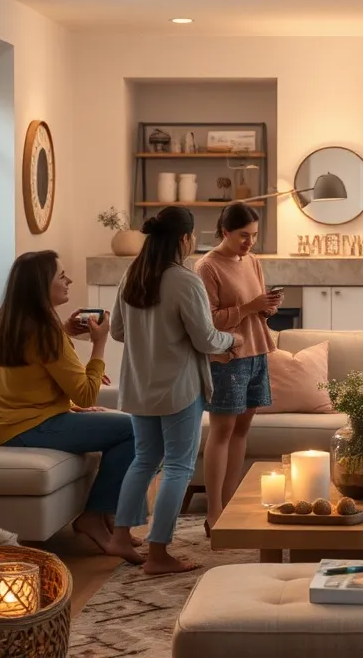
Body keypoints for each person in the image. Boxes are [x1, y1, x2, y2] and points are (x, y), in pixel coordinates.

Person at [108, 206, 241, 574]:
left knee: (145, 460)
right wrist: (233, 338)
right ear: (185, 238)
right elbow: (205, 337)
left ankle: (120, 535)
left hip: (139, 385)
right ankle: (159, 553)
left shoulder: (131, 274)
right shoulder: (184, 279)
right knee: (179, 466)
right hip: (179, 388)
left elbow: (119, 332)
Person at [0, 250, 139, 560]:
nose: (69, 280)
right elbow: (86, 393)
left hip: (14, 425)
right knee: (135, 429)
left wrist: (66, 333)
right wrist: (99, 345)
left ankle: (106, 514)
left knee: (126, 427)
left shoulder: (12, 322)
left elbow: (30, 376)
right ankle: (95, 517)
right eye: (61, 276)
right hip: (33, 428)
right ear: (42, 285)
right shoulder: (46, 333)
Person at [195, 202, 280, 534]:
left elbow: (256, 309)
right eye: (244, 236)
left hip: (257, 352)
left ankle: (229, 504)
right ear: (225, 231)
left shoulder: (253, 261)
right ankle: (213, 512)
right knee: (222, 432)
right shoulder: (207, 267)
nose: (249, 243)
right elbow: (208, 321)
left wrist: (267, 308)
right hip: (227, 358)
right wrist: (249, 307)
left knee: (242, 431)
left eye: (254, 236)